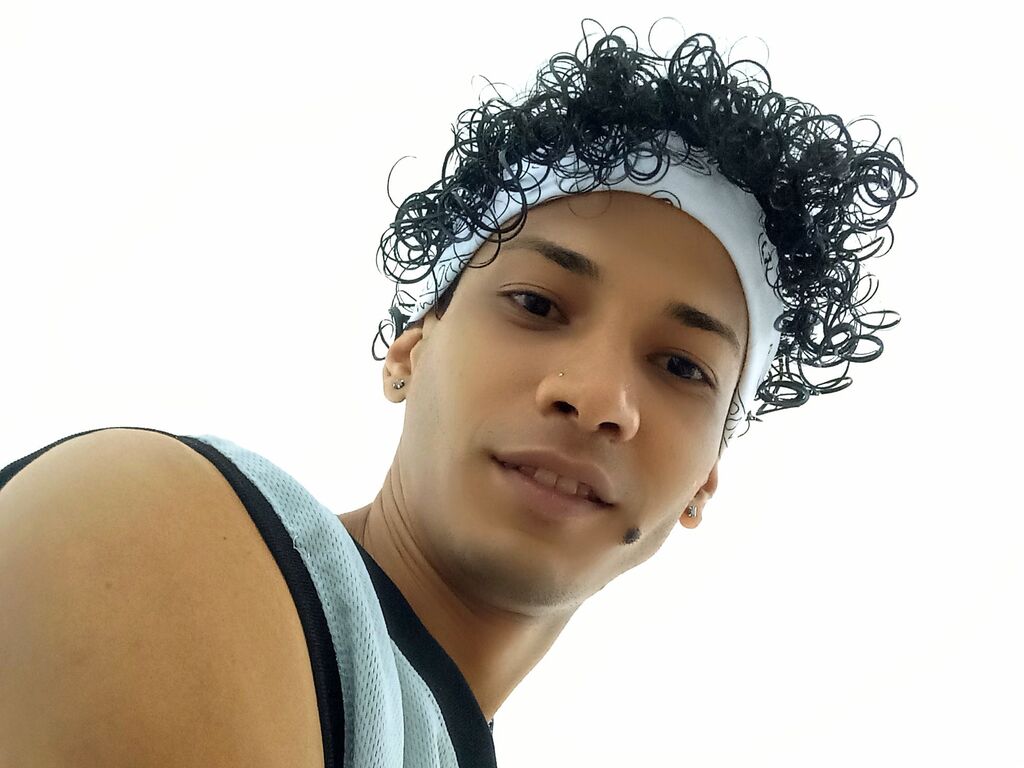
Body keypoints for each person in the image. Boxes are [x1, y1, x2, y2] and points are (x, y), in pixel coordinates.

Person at [0, 19, 916, 767]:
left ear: (706, 479)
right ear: (410, 351)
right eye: (536, 304)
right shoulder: (162, 523)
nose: (599, 396)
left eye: (682, 367)